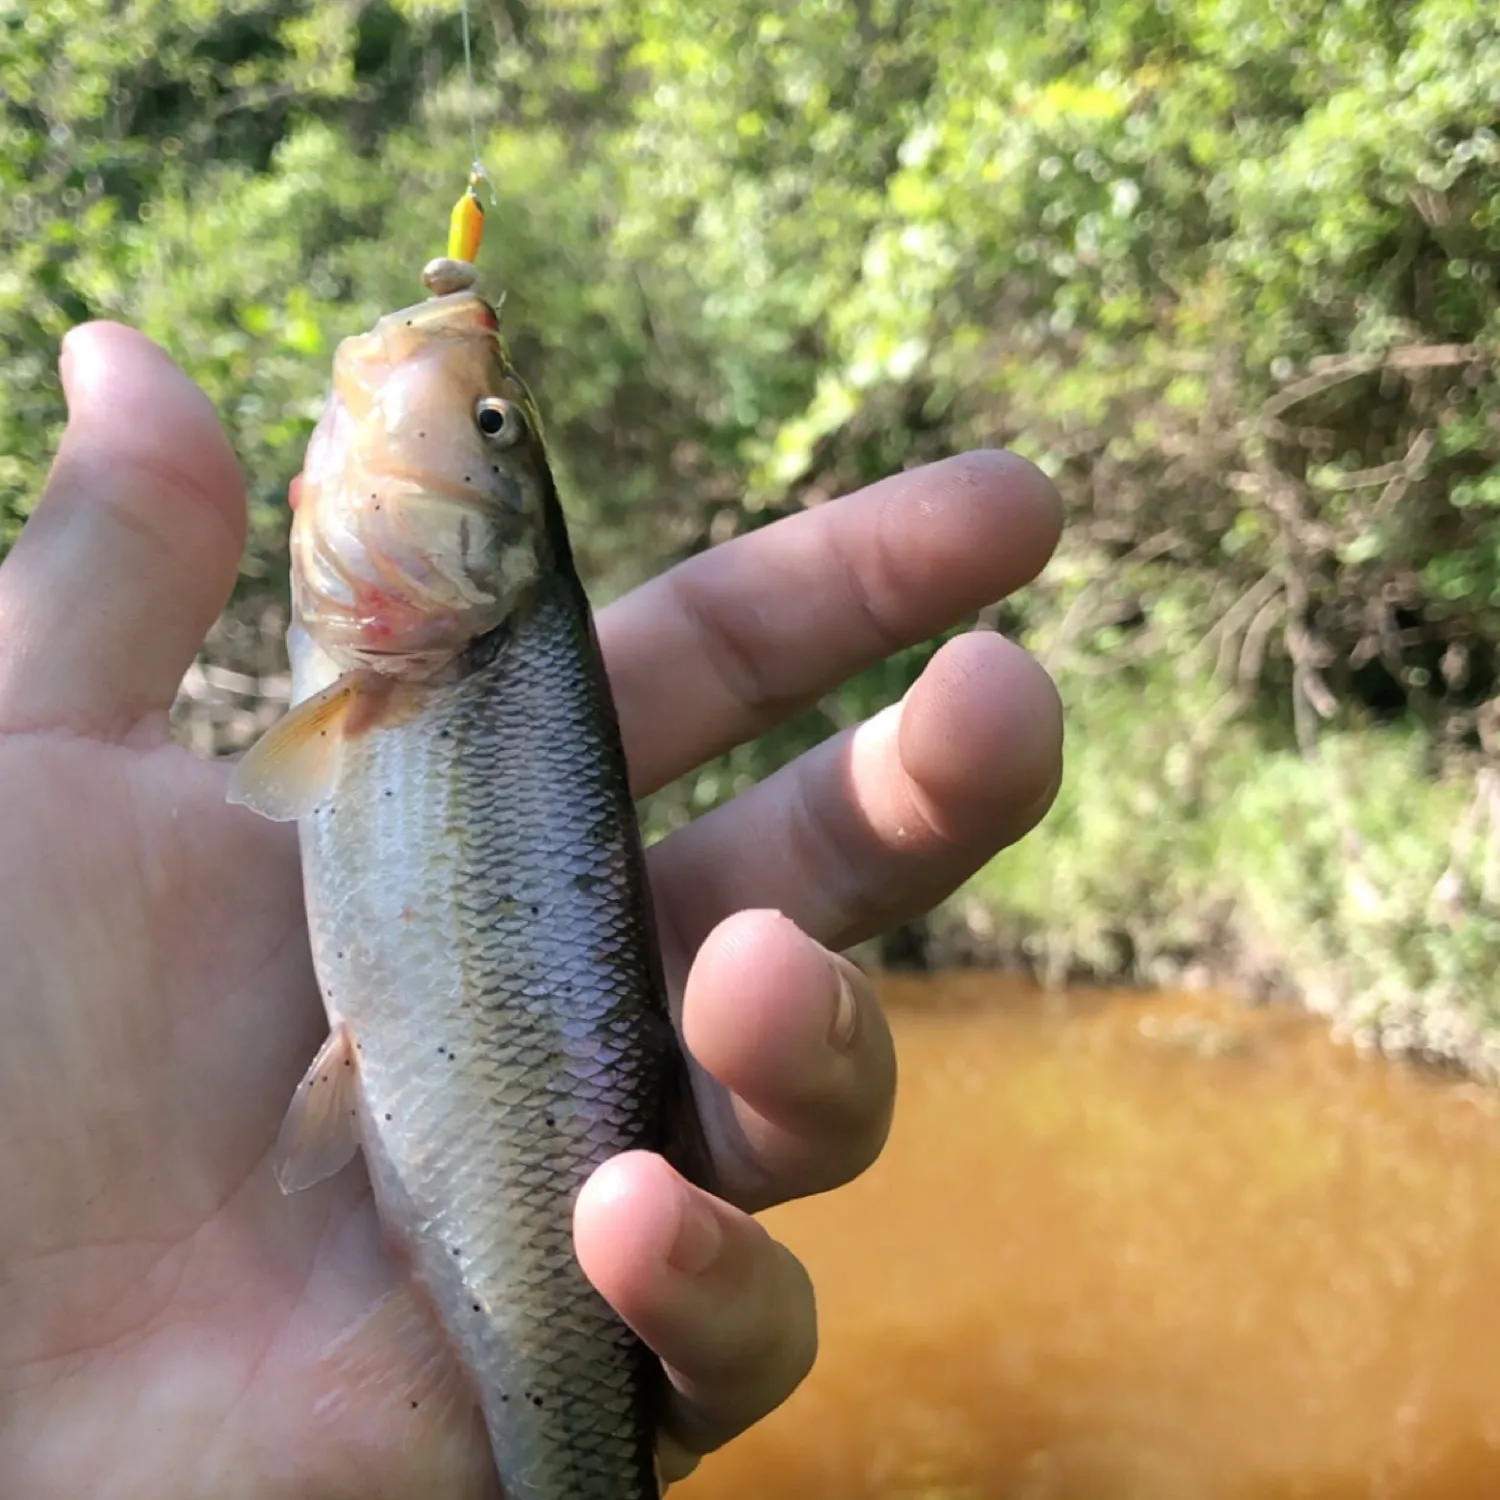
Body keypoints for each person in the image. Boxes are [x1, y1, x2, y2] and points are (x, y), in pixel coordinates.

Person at [0, 321, 1064, 1496]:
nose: (450, 393)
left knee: (652, 1231)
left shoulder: (416, 668)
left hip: (490, 1225)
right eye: (491, 426)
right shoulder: (407, 668)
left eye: (486, 425)